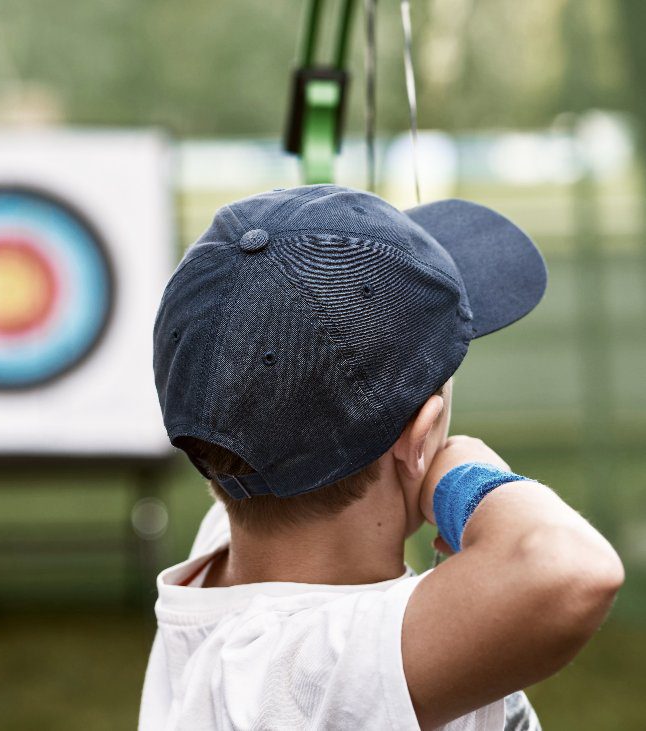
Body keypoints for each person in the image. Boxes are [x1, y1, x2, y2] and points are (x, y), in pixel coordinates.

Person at [140, 185, 623, 730]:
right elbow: (570, 571)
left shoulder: (232, 547)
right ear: (420, 439)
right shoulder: (292, 674)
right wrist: (464, 479)